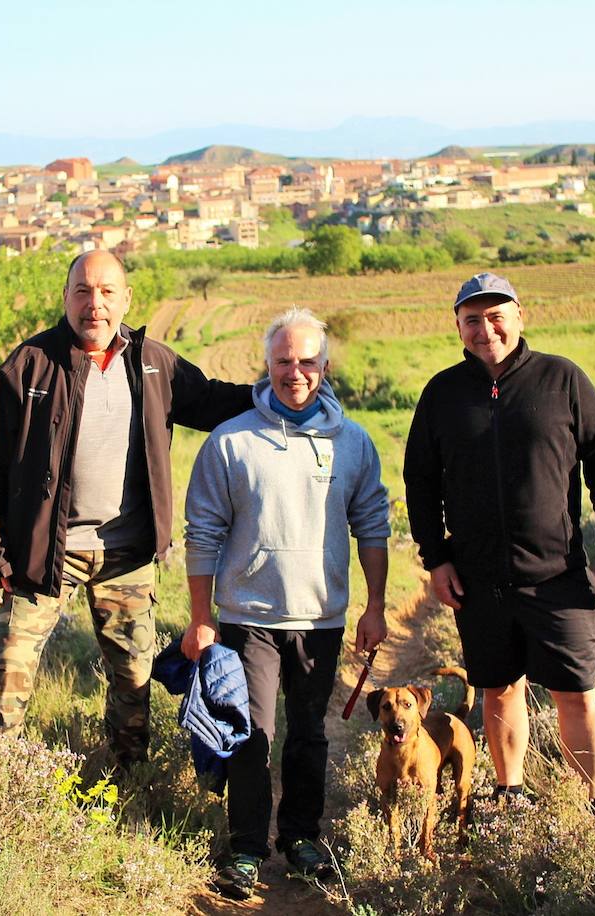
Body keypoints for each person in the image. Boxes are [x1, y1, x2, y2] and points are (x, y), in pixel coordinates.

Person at [0, 248, 253, 770]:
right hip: (47, 553)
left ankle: (127, 782)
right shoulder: (31, 363)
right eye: (83, 292)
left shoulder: (155, 362)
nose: (95, 304)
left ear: (126, 299)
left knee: (134, 680)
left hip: (128, 552)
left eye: (107, 292)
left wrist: (283, 389)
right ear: (67, 298)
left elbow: (212, 402)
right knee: (9, 671)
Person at [403, 271, 595, 817]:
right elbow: (421, 481)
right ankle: (512, 792)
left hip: (559, 574)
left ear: (519, 315)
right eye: (473, 320)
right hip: (479, 579)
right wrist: (436, 558)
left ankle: (589, 805)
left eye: (496, 316)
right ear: (458, 327)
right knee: (499, 689)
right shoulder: (442, 394)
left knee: (575, 693)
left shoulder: (562, 380)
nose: (486, 330)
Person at [181, 307, 390, 900]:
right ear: (266, 365)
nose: (293, 372)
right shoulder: (232, 440)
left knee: (308, 735)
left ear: (324, 367)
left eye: (305, 361)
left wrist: (375, 607)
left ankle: (301, 838)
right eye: (282, 361)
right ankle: (245, 848)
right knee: (250, 735)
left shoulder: (352, 442)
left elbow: (372, 525)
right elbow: (202, 533)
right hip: (249, 618)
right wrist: (201, 620)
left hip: (321, 618)